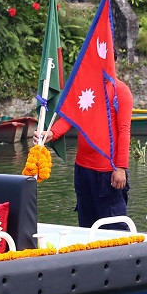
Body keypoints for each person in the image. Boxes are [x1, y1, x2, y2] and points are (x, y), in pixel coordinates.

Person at [35, 76, 133, 229]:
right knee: (87, 225)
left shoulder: (120, 91)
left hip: (108, 172)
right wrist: (52, 133)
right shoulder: (86, 88)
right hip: (83, 170)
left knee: (115, 227)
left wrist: (121, 167)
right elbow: (69, 117)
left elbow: (124, 130)